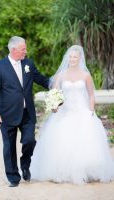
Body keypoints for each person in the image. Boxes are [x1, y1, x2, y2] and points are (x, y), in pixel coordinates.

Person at [30, 45, 114, 184]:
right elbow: (55, 93)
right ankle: (62, 173)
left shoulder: (86, 75)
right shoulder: (61, 75)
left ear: (80, 58)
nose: (72, 59)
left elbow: (92, 95)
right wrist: (55, 106)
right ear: (67, 58)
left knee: (85, 143)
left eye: (75, 57)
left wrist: (90, 112)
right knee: (62, 142)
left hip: (83, 112)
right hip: (65, 113)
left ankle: (87, 172)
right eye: (70, 56)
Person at [0, 36, 49, 187]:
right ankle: (13, 178)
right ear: (13, 49)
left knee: (29, 141)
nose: (25, 52)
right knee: (9, 146)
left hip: (27, 112)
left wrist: (58, 82)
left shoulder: (28, 63)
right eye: (23, 49)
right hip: (6, 114)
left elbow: (40, 79)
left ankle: (25, 165)